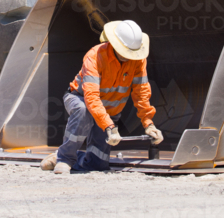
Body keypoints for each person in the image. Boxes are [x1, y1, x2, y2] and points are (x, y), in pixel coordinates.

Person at [40, 20, 163, 174]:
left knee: (97, 165)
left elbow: (141, 92)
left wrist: (148, 123)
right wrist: (109, 127)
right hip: (80, 98)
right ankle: (65, 158)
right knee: (83, 110)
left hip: (110, 110)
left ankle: (60, 156)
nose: (130, 56)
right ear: (114, 44)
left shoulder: (138, 59)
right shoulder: (95, 56)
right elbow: (91, 97)